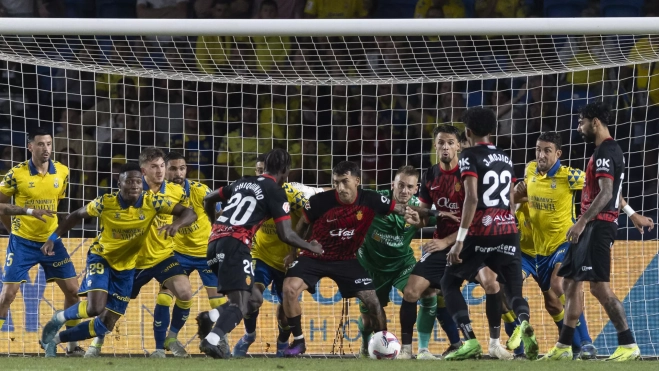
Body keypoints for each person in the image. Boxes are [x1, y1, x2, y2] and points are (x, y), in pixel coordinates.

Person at [39, 162, 197, 357]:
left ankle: (54, 340)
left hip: (128, 266)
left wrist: (177, 224)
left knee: (105, 324)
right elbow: (76, 215)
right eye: (129, 181)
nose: (135, 185)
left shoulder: (152, 202)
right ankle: (58, 318)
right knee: (95, 308)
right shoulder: (105, 202)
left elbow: (190, 212)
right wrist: (53, 238)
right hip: (102, 257)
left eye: (138, 181)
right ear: (119, 183)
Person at [281, 161, 428, 356]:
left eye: (345, 182)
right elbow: (299, 227)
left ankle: (383, 345)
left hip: (346, 259)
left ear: (357, 181)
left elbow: (402, 209)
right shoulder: (319, 202)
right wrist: (293, 252)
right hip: (315, 255)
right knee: (289, 288)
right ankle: (298, 341)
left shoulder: (371, 199)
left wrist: (420, 216)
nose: (340, 188)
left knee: (373, 302)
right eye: (336, 183)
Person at [542, 102, 653, 361]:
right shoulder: (608, 150)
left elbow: (605, 193)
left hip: (598, 226)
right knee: (569, 282)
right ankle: (564, 346)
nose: (578, 128)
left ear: (595, 123)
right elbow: (614, 191)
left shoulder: (604, 152)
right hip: (596, 224)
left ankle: (628, 343)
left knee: (599, 288)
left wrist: (581, 222)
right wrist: (632, 214)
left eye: (581, 122)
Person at [196, 148, 323, 359]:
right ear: (285, 171)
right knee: (242, 303)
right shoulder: (275, 191)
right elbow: (286, 234)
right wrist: (311, 247)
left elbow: (208, 198)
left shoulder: (242, 182)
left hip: (214, 244)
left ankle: (210, 316)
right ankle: (212, 340)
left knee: (253, 298)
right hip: (236, 246)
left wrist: (213, 221)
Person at [439, 107, 539, 360]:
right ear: (492, 130)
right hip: (508, 228)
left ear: (467, 132)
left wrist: (459, 241)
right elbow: (509, 197)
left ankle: (470, 341)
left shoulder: (469, 156)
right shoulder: (505, 158)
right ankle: (517, 327)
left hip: (483, 229)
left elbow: (472, 197)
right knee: (511, 289)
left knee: (449, 282)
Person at [357, 165, 459, 359]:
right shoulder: (375, 201)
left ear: (415, 189)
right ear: (392, 184)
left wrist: (444, 234)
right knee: (369, 320)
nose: (404, 191)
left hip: (402, 264)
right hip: (371, 267)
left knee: (428, 293)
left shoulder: (420, 208)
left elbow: (444, 221)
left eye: (409, 187)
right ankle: (365, 343)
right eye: (400, 185)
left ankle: (422, 350)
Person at [0, 129, 84, 356]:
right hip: (22, 243)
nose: (46, 148)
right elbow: (0, 205)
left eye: (48, 144)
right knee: (7, 295)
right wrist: (21, 220)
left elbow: (60, 208)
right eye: (40, 144)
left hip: (51, 243)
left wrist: (54, 235)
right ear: (30, 147)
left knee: (74, 292)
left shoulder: (63, 172)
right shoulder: (16, 174)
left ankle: (72, 346)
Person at [231, 154, 318, 358]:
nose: (262, 175)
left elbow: (311, 218)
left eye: (265, 170)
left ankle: (281, 343)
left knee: (286, 312)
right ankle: (249, 335)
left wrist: (294, 252)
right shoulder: (249, 192)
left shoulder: (293, 195)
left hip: (288, 261)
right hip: (259, 254)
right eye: (259, 171)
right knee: (252, 296)